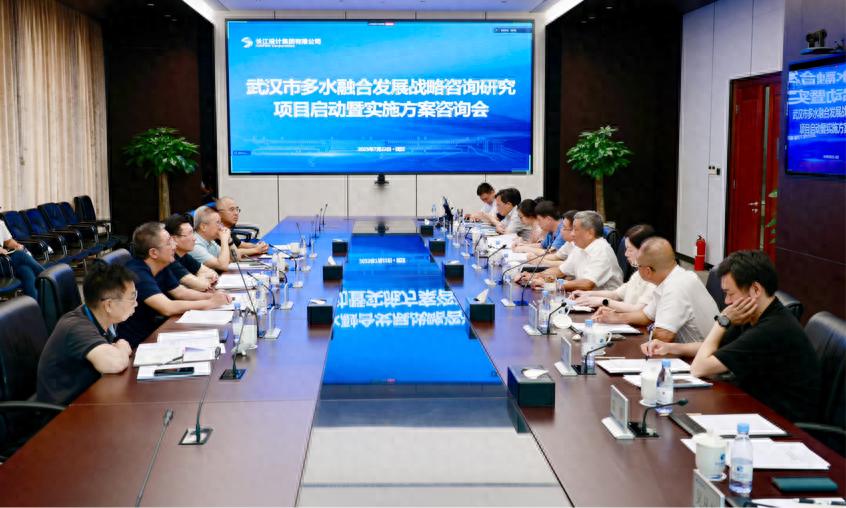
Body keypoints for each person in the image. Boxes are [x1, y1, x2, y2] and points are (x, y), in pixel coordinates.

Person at [643, 250, 821, 422]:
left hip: (782, 423)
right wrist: (670, 347)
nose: (727, 301)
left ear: (755, 290)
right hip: (755, 406)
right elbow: (716, 347)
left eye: (730, 293)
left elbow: (699, 368)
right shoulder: (752, 314)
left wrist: (722, 321)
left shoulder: (772, 329)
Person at [37, 262, 136, 406]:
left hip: (90, 396)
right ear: (108, 305)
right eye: (132, 298)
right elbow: (115, 363)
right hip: (66, 410)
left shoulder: (100, 316)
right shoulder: (76, 327)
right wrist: (122, 346)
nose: (136, 303)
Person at [118, 222, 230, 347]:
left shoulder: (161, 264)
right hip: (137, 342)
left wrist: (214, 296)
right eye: (169, 243)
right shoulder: (137, 273)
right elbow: (167, 307)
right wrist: (210, 303)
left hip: (156, 330)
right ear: (154, 253)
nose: (174, 245)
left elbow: (181, 292)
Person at [596, 237, 717, 343]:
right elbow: (646, 316)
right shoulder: (678, 276)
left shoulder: (675, 287)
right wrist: (616, 317)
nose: (637, 269)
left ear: (648, 271)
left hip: (698, 357)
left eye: (638, 266)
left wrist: (651, 328)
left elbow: (663, 336)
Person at [519, 210, 622, 292]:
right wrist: (535, 276)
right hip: (584, 300)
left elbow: (587, 284)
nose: (572, 234)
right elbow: (560, 271)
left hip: (605, 306)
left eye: (575, 230)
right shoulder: (579, 247)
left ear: (590, 233)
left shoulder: (602, 250)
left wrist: (550, 284)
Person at [573, 224, 656, 313]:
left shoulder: (655, 279)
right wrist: (587, 294)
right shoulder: (638, 274)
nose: (626, 254)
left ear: (644, 251)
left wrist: (603, 301)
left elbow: (638, 310)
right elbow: (616, 294)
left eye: (630, 250)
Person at [163, 213, 219, 291]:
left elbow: (212, 273)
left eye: (193, 233)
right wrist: (200, 279)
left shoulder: (185, 256)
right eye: (189, 234)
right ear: (174, 239)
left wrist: (199, 279)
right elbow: (203, 286)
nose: (194, 238)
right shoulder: (169, 260)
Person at [0, 216, 45, 299]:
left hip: (5, 263)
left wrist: (17, 245)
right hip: (2, 264)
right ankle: (47, 278)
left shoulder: (0, 223)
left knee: (25, 271)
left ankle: (36, 304)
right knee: (19, 255)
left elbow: (8, 242)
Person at [190, 205, 233, 272]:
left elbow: (234, 259)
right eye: (218, 223)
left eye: (221, 223)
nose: (221, 227)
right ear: (203, 227)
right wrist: (224, 239)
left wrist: (230, 241)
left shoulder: (210, 240)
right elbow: (223, 266)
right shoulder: (194, 245)